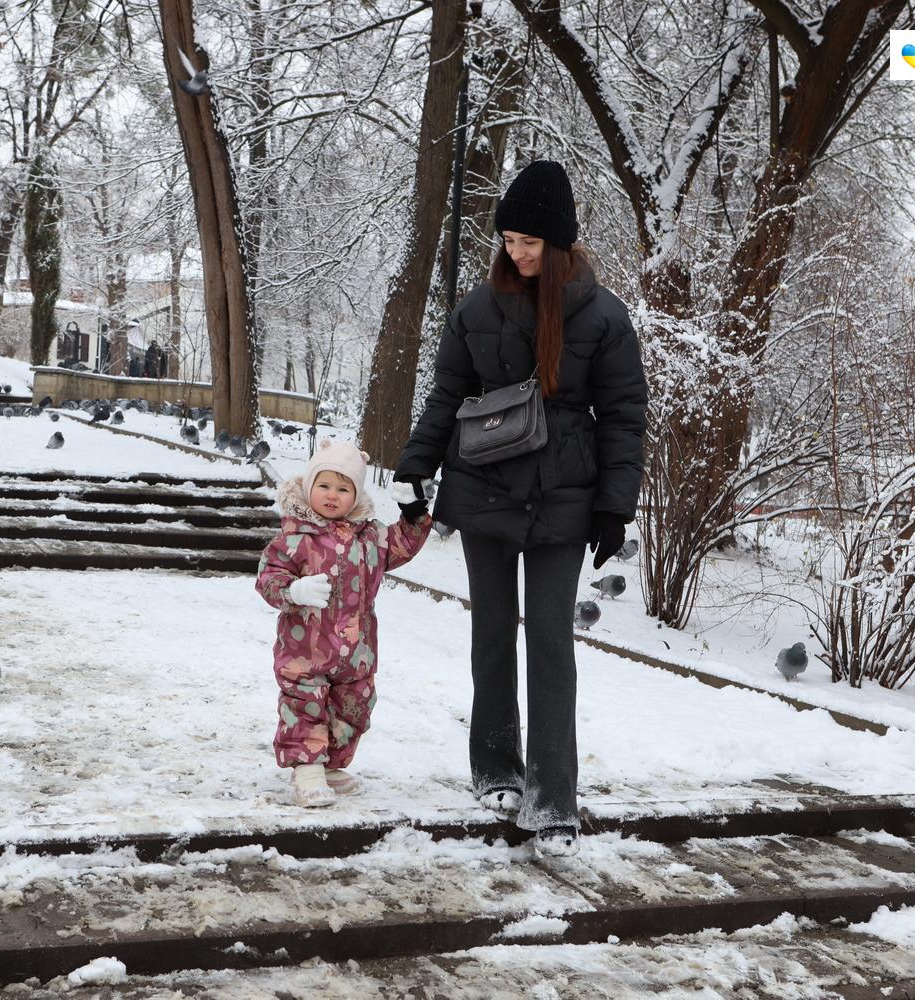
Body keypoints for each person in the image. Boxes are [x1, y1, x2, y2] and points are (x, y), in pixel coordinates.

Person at [394, 159, 648, 859]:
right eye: (508, 240)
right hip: (485, 490)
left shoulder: (603, 315)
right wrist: (416, 464)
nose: (517, 252)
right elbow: (446, 396)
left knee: (551, 645)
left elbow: (625, 415)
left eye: (530, 241)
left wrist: (614, 506)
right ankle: (495, 768)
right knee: (493, 637)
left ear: (560, 242)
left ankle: (554, 800)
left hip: (564, 500)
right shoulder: (478, 308)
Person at [255, 440, 432, 807]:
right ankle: (307, 769)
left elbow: (402, 544)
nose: (332, 495)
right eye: (324, 486)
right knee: (305, 704)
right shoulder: (294, 537)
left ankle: (331, 764)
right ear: (309, 487)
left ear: (356, 494)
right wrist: (294, 590)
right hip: (305, 650)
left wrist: (413, 514)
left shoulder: (370, 537)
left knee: (354, 707)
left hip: (356, 652)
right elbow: (268, 578)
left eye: (343, 488)